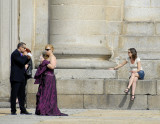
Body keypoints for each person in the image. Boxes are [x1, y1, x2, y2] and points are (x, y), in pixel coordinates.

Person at [34, 45, 68, 116]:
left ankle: (48, 109)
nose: (46, 51)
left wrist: (45, 62)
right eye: (45, 49)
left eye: (48, 49)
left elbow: (52, 66)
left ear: (52, 50)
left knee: (48, 94)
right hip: (44, 78)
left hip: (49, 78)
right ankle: (42, 109)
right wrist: (42, 61)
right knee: (43, 93)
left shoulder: (53, 57)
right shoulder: (47, 57)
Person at [10, 42, 32, 115]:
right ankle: (13, 110)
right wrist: (26, 56)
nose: (25, 49)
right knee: (14, 94)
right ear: (20, 47)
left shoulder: (21, 54)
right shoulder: (15, 54)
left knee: (22, 94)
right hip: (15, 77)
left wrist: (28, 58)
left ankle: (23, 110)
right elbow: (21, 61)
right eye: (24, 48)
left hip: (22, 77)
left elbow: (25, 61)